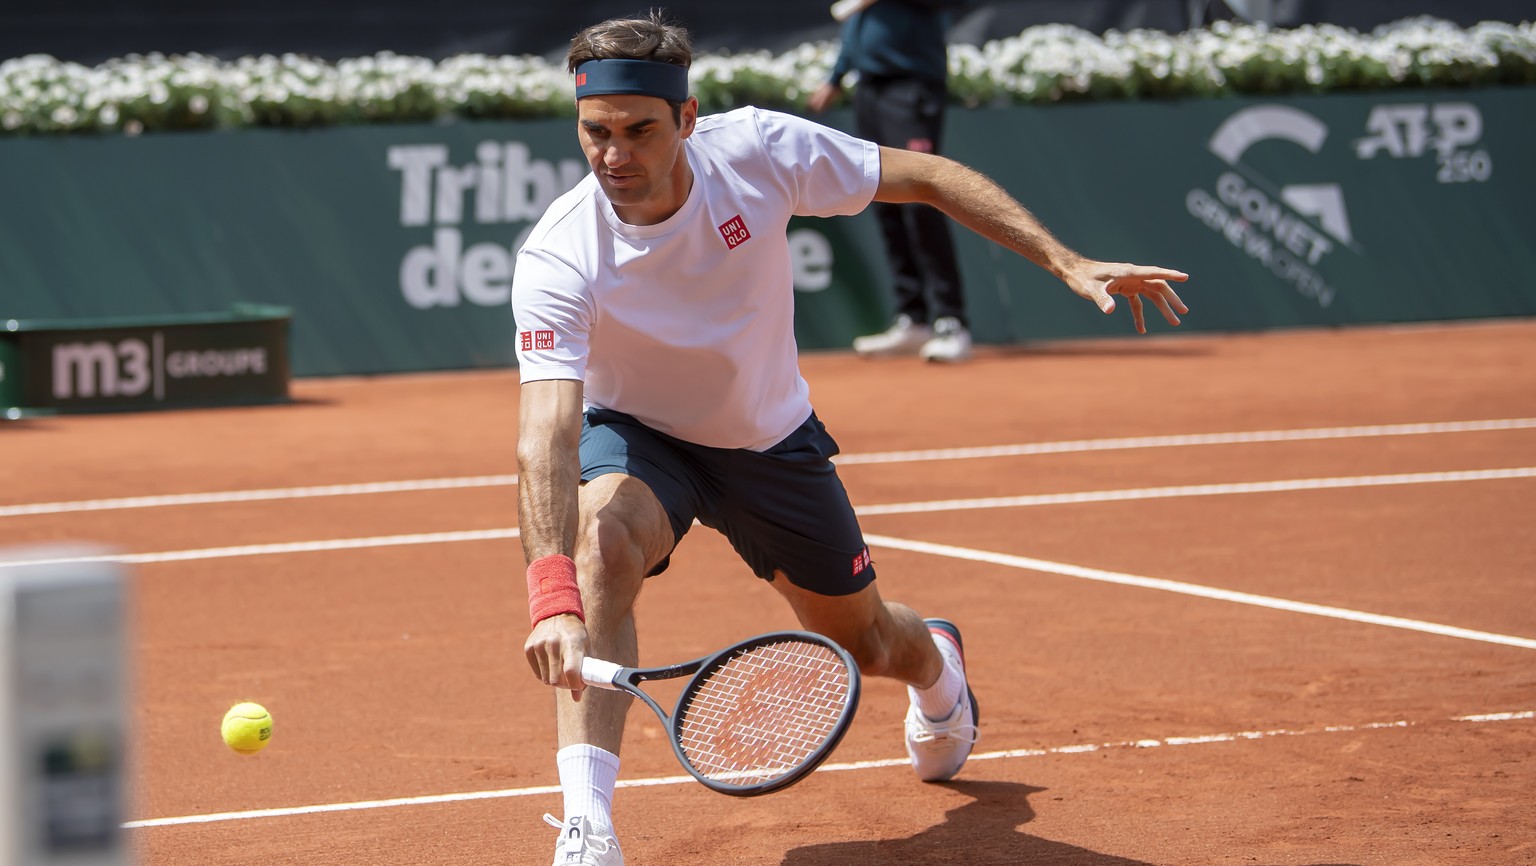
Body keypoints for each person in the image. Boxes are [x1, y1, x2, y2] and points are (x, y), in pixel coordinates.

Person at [513, 11, 1188, 866]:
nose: (615, 155)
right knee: (599, 548)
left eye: (639, 130)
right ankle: (589, 825)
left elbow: (932, 177)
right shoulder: (559, 254)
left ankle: (937, 664)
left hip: (768, 442)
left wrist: (1064, 261)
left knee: (866, 643)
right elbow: (546, 433)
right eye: (596, 132)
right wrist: (552, 600)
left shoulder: (757, 153)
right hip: (640, 438)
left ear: (686, 120)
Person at [807, 0, 974, 362]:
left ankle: (951, 321)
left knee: (922, 200)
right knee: (883, 198)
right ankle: (913, 320)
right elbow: (855, 24)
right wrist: (836, 76)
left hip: (912, 88)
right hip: (870, 91)